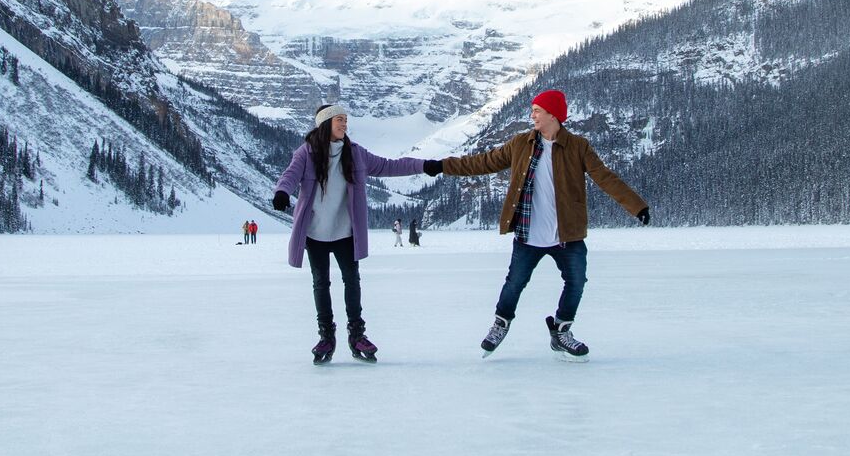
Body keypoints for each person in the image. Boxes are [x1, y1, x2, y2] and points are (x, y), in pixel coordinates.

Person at [428, 89, 649, 360]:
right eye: (533, 110)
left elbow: (604, 177)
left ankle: (562, 331)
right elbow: (484, 162)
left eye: (537, 110)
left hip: (566, 235)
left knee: (576, 281)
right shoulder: (521, 143)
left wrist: (636, 206)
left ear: (553, 115)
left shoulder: (578, 147)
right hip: (528, 234)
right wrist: (442, 166)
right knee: (514, 283)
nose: (532, 115)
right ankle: (500, 324)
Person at [274, 104, 434, 364]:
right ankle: (326, 335)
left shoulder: (355, 154)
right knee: (320, 282)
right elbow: (290, 175)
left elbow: (388, 166)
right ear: (325, 123)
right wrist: (282, 191)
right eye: (340, 120)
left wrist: (424, 165)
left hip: (345, 232)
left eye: (346, 120)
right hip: (315, 233)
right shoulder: (307, 152)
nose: (345, 125)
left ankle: (356, 335)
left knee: (352, 280)